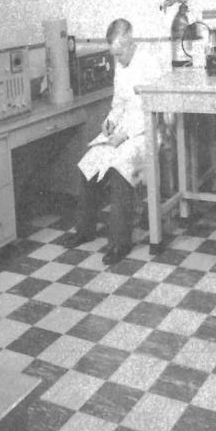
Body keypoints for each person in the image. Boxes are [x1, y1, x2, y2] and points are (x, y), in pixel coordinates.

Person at [61, 18, 150, 264]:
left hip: (146, 131)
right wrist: (109, 121)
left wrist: (127, 134)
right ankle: (84, 230)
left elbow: (153, 110)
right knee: (88, 162)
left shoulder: (149, 64)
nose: (117, 60)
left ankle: (120, 243)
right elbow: (118, 104)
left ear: (130, 43)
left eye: (120, 54)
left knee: (120, 168)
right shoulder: (120, 66)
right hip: (121, 130)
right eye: (114, 55)